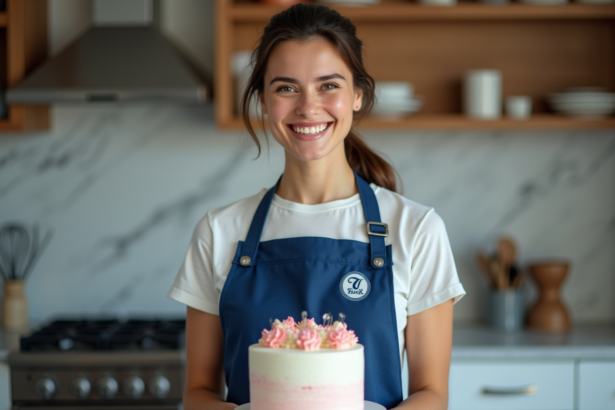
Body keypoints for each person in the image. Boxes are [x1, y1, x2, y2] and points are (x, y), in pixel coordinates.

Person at [167, 3, 465, 410]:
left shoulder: (416, 228)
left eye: (328, 85)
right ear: (263, 100)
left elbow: (432, 395)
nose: (308, 108)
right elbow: (198, 393)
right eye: (286, 88)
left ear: (357, 95)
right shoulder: (219, 231)